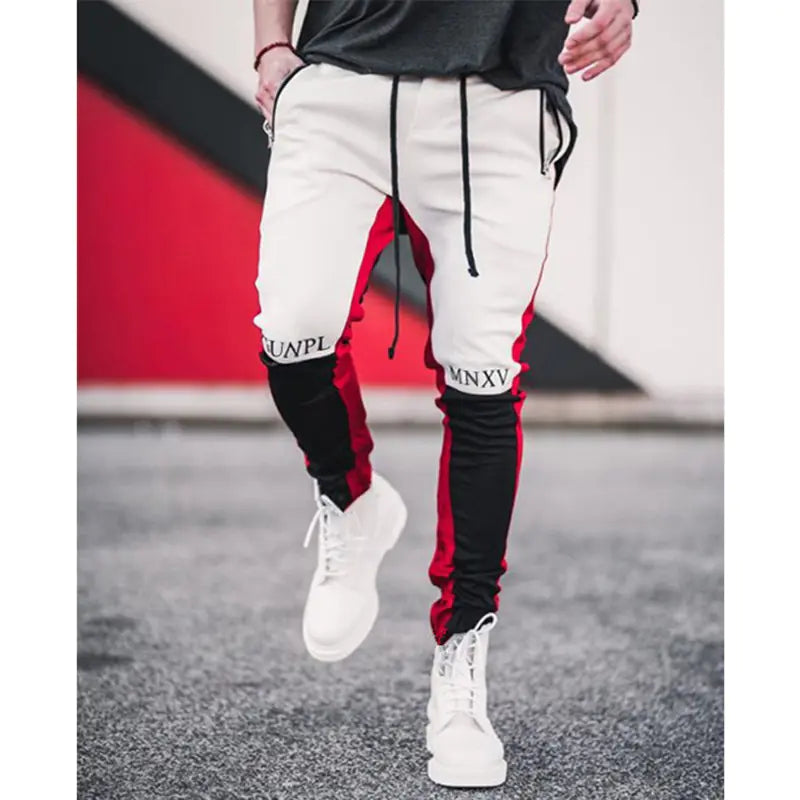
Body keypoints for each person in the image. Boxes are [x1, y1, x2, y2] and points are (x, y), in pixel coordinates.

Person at [252, 0, 637, 788]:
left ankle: (461, 670)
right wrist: (269, 49)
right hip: (338, 76)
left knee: (482, 380)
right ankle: (352, 500)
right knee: (291, 334)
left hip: (498, 94)